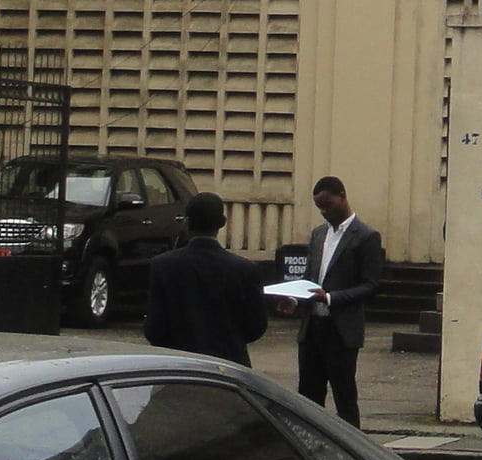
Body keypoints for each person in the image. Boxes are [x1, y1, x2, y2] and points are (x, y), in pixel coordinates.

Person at [294, 176, 384, 427]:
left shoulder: (366, 236)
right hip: (312, 327)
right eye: (319, 208)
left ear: (342, 197)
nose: (324, 212)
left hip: (341, 330)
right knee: (308, 395)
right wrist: (295, 299)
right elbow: (309, 277)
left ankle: (351, 443)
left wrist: (331, 298)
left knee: (344, 395)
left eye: (328, 205)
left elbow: (371, 285)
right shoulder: (318, 234)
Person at [142, 192, 269, 367]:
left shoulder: (162, 265)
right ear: (222, 223)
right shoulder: (245, 269)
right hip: (229, 365)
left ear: (187, 222)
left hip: (177, 365)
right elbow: (256, 327)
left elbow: (154, 329)